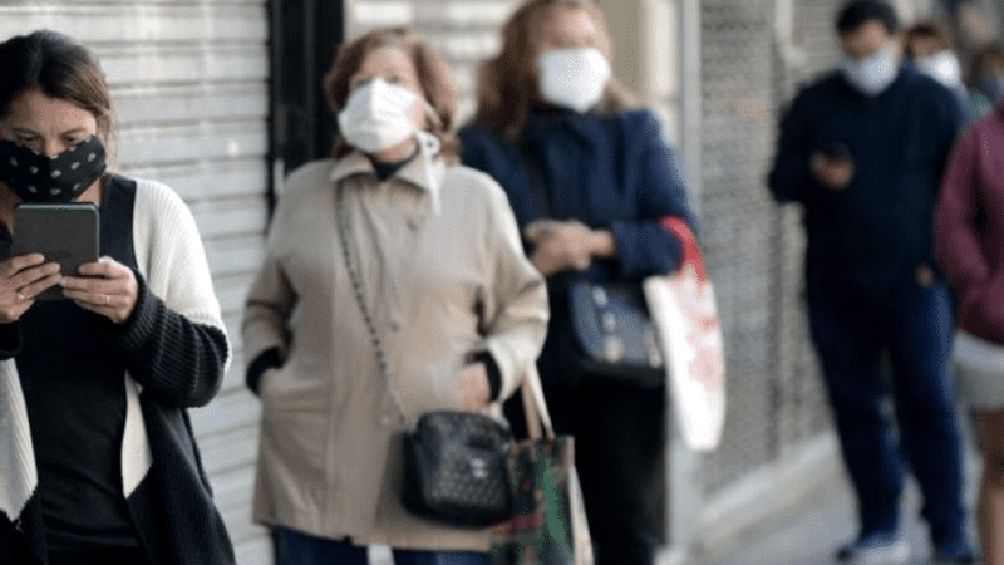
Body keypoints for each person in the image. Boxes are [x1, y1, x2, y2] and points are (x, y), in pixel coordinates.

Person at [242, 27, 548, 565]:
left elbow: (524, 310)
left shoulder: (475, 198)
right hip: (317, 449)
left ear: (430, 105)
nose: (375, 94)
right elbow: (265, 307)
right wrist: (269, 375)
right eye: (361, 83)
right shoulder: (305, 192)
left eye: (394, 80)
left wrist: (493, 372)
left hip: (444, 447)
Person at [458, 1, 699, 563]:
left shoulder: (634, 131)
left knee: (626, 526)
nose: (577, 58)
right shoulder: (484, 145)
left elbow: (679, 239)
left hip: (621, 363)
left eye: (586, 44)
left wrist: (592, 245)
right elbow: (463, 256)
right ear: (522, 55)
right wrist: (530, 263)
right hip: (525, 370)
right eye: (558, 45)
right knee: (537, 536)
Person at [0, 30, 234, 565]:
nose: (50, 157)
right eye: (27, 141)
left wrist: (138, 315)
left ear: (102, 126)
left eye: (72, 139)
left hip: (136, 534)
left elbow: (203, 376)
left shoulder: (151, 212)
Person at [767, 1, 975, 563]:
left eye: (872, 47)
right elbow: (780, 180)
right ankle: (879, 525)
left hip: (916, 284)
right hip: (837, 286)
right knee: (855, 406)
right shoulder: (815, 102)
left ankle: (949, 531)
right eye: (852, 49)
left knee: (928, 402)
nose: (863, 59)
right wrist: (815, 172)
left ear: (893, 40)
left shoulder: (935, 102)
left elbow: (963, 191)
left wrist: (942, 266)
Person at [936, 93, 1004, 565]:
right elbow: (952, 225)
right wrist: (983, 293)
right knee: (1001, 463)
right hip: (992, 332)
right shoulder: (981, 139)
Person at [903, 21, 966, 94]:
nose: (920, 46)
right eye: (916, 42)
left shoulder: (944, 61)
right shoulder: (909, 61)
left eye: (924, 41)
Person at [965, 42, 1004, 121]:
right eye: (989, 66)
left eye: (999, 67)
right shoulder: (973, 101)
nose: (994, 72)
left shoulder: (1000, 89)